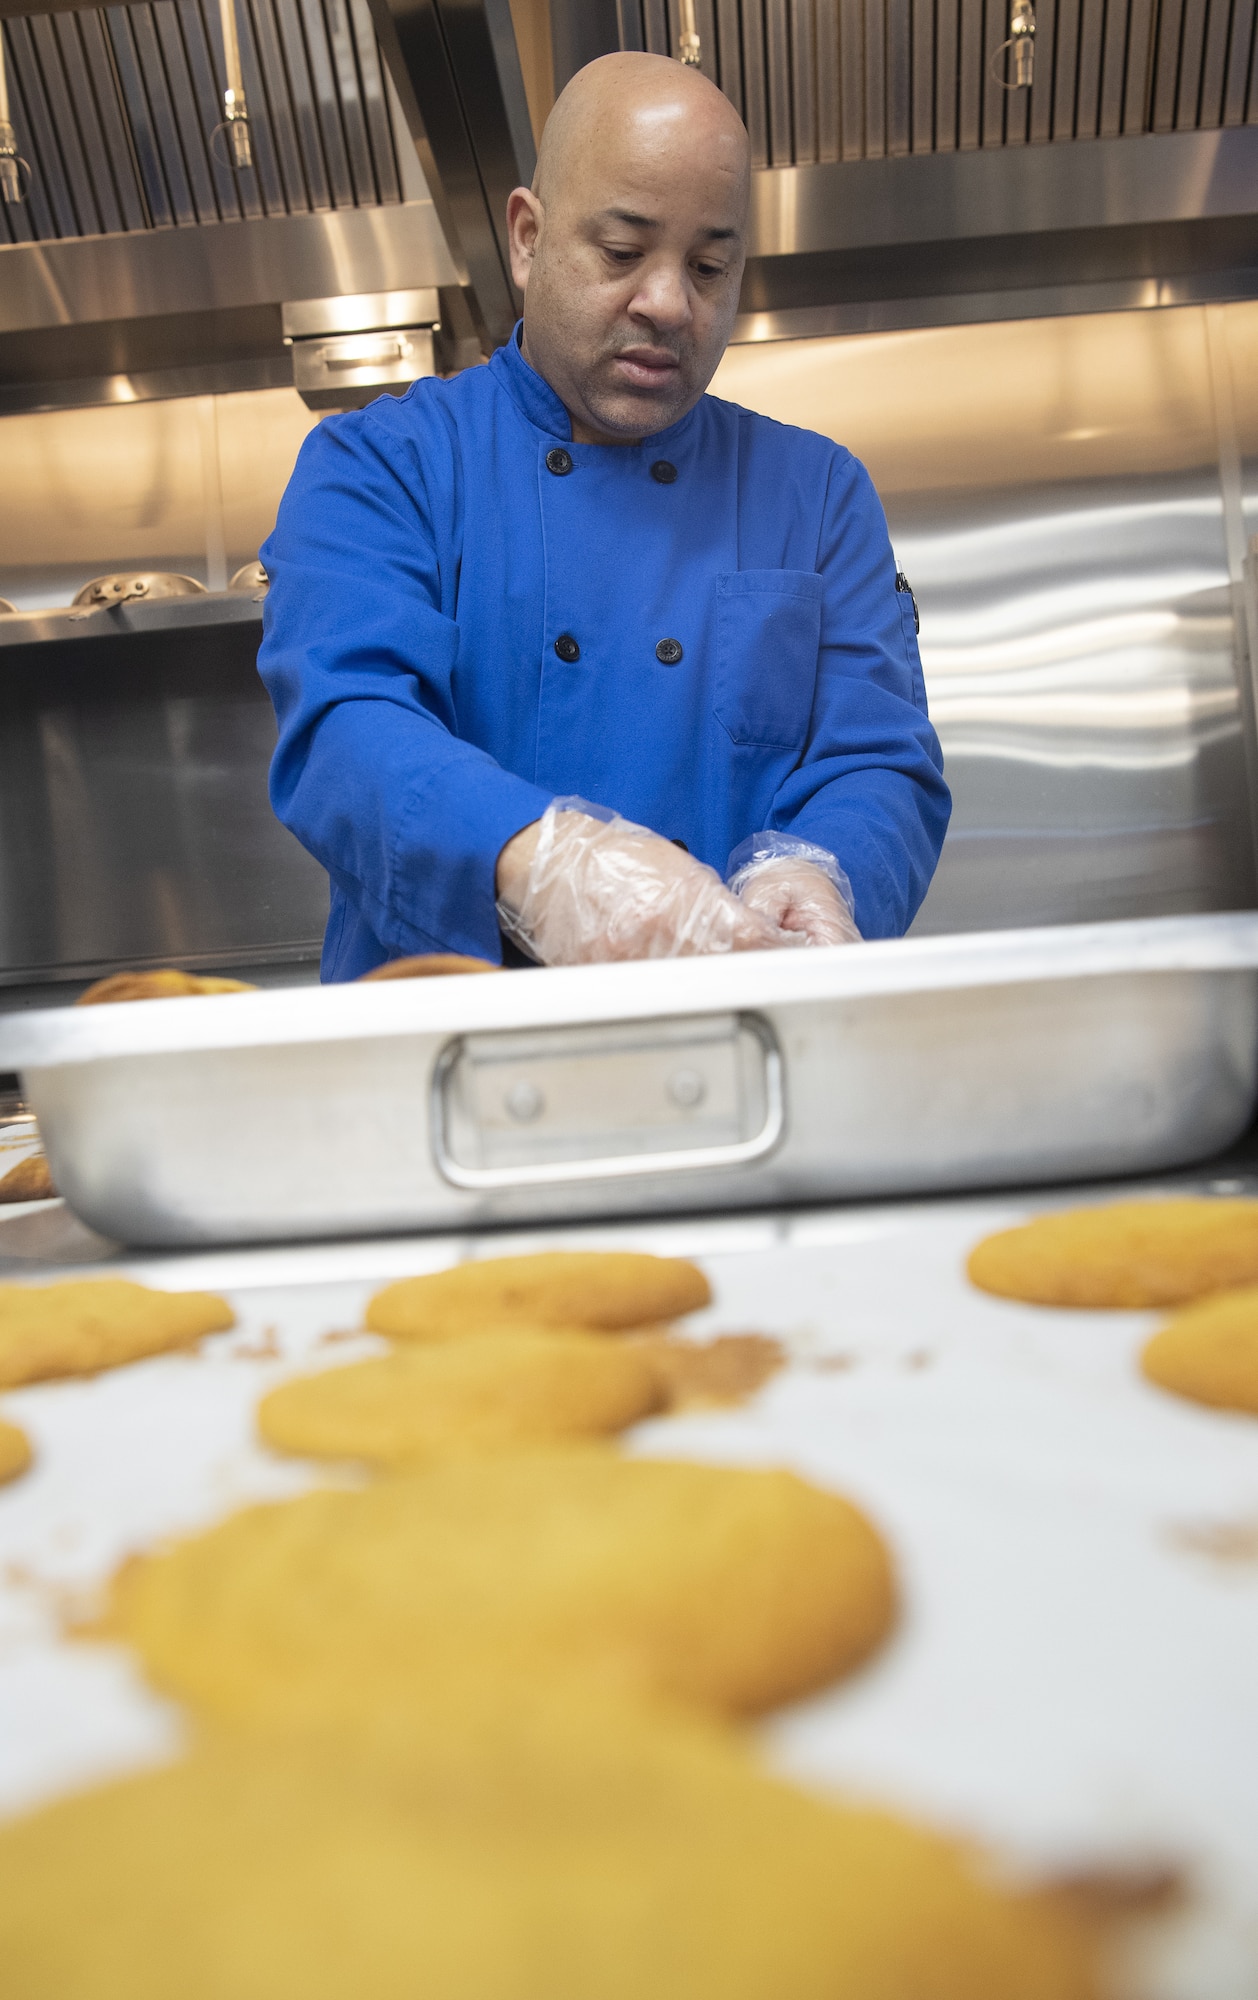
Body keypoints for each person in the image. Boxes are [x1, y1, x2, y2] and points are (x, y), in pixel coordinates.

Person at [258, 52, 950, 978]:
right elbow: (345, 729)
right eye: (622, 253)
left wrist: (824, 871)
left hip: (738, 1068)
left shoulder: (817, 494)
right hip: (442, 1069)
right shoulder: (383, 467)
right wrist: (537, 863)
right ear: (527, 237)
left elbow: (879, 761)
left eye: (709, 266)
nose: (668, 303)